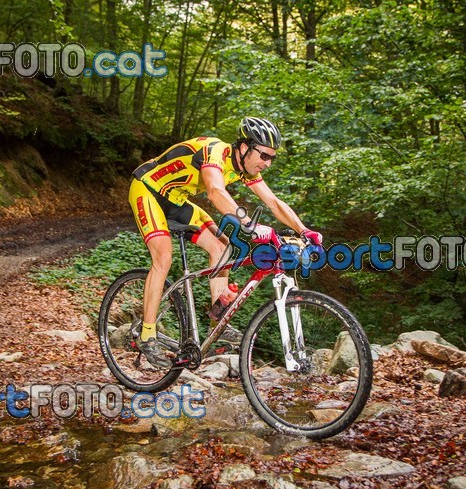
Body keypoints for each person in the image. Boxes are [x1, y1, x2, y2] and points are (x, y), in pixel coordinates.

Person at [128, 117, 322, 368]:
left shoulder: (244, 169)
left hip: (177, 201)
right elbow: (215, 191)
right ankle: (147, 334)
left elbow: (273, 203)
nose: (267, 163)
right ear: (244, 147)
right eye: (263, 156)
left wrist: (304, 230)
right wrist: (249, 225)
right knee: (163, 257)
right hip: (147, 190)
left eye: (272, 158)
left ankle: (217, 320)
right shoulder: (215, 152)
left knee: (222, 247)